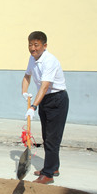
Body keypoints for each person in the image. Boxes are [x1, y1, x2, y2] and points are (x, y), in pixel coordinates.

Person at [21, 31, 69, 185]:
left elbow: (45, 86)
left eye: (36, 45)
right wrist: (24, 91)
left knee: (52, 138)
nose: (32, 48)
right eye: (30, 45)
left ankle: (48, 174)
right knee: (47, 137)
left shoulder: (50, 61)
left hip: (56, 100)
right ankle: (53, 167)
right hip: (45, 99)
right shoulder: (32, 58)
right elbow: (27, 75)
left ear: (44, 45)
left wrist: (33, 106)